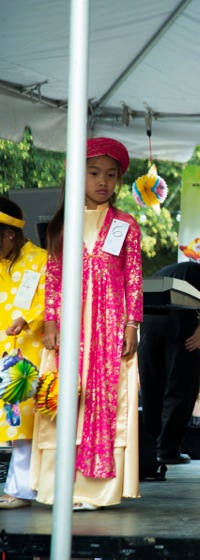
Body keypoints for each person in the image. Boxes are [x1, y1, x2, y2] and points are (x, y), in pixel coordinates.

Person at [33, 137, 143, 511]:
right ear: (77, 174)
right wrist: (51, 320)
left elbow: (133, 278)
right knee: (65, 398)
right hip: (70, 327)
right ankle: (57, 486)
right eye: (94, 173)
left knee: (102, 401)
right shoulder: (63, 225)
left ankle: (97, 490)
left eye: (111, 175)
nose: (103, 182)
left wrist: (131, 325)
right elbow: (54, 275)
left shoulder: (126, 224)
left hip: (109, 327)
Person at [138, 261, 200, 465]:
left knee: (151, 386)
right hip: (180, 319)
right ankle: (168, 450)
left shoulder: (163, 270)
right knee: (182, 387)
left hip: (149, 320)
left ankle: (151, 448)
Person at [0, 197, 46, 509]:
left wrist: (28, 319)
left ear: (11, 234)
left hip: (30, 352)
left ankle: (21, 489)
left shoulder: (41, 260)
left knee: (24, 426)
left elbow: (53, 301)